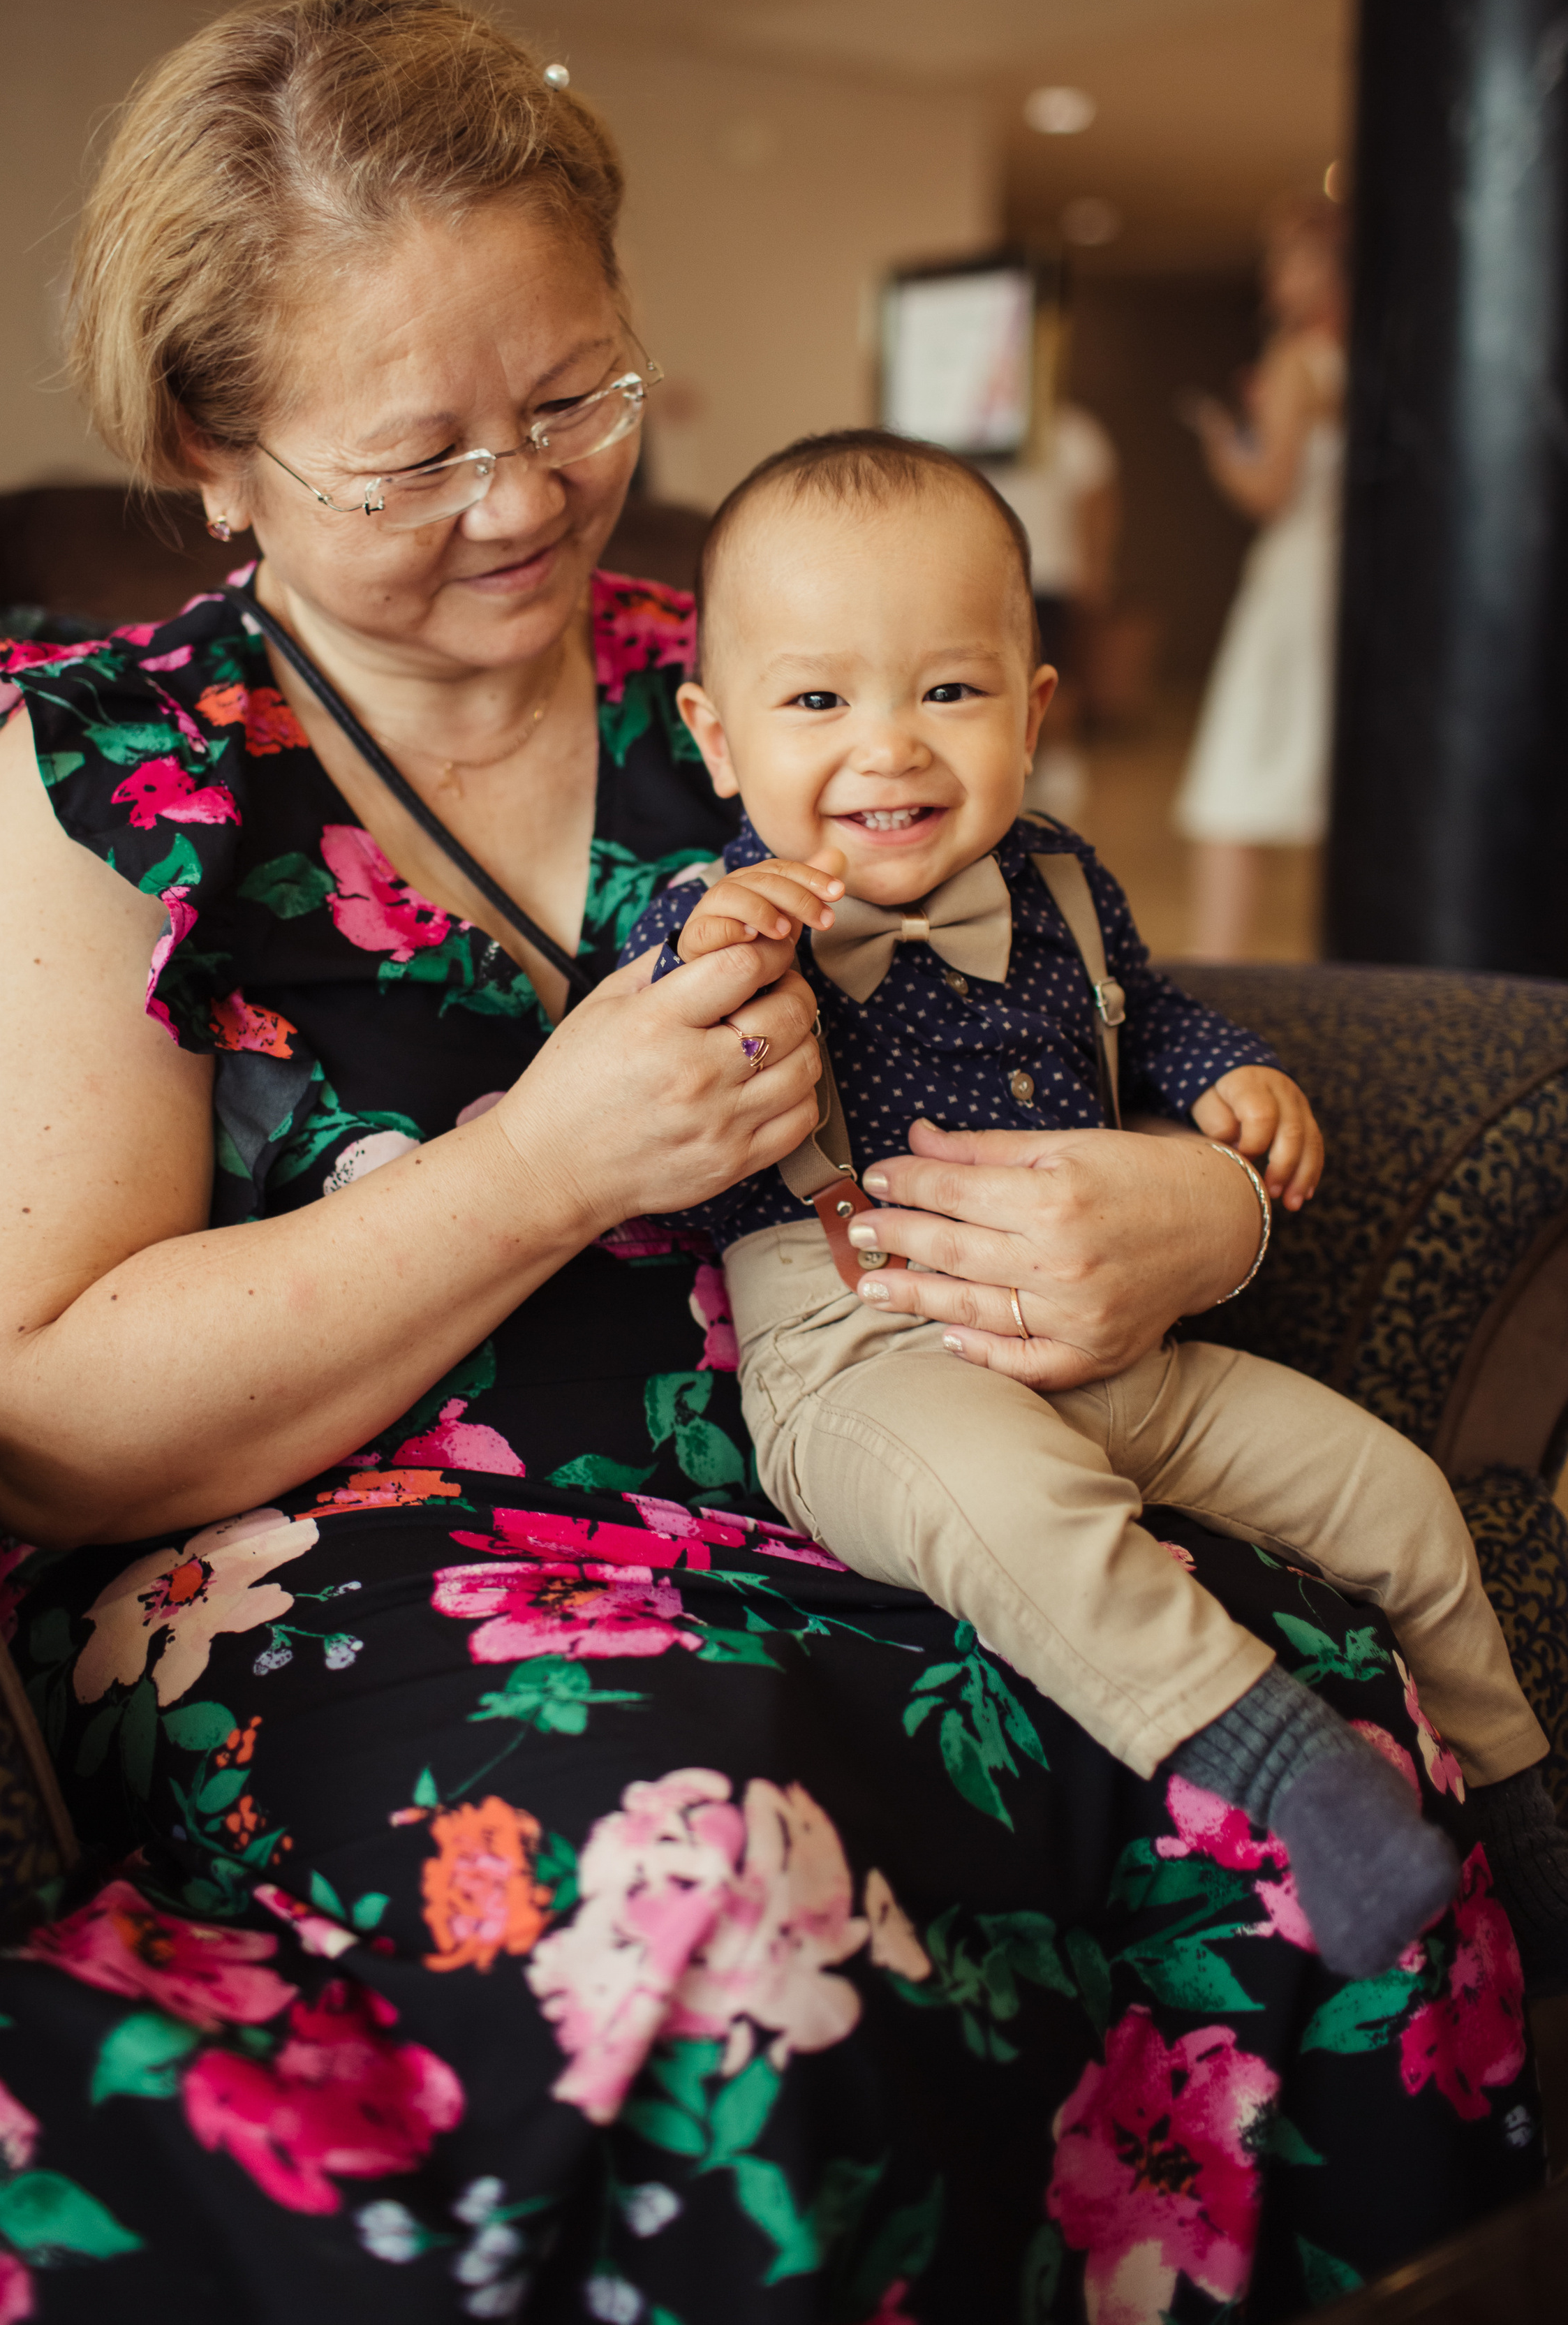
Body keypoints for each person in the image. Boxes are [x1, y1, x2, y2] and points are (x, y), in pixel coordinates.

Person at [0, 0, 1543, 2323]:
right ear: (212, 449)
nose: (523, 500)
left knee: (1315, 1750)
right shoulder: (111, 798)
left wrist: (1198, 1207)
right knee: (718, 1897)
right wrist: (541, 1166)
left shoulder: (781, 674)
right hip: (378, 1581)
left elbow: (1077, 983)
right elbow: (29, 1413)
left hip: (904, 1473)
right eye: (414, 457)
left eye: (575, 399)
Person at [626, 426, 1566, 1989]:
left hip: (1120, 1343)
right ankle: (1293, 1778)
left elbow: (1153, 1009)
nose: (890, 749)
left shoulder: (1062, 879)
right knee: (1019, 1508)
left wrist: (1231, 1079)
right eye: (817, 703)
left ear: (1033, 709)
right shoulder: (709, 924)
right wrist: (715, 969)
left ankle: (1527, 1817)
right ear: (717, 741)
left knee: (1397, 1496)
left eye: (948, 690)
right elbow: (652, 1092)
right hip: (871, 1359)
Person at [1175, 195, 1346, 957]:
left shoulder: (1294, 360)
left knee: (1233, 778)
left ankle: (1216, 965)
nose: (1276, 278)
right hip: (1343, 584)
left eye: (1290, 260)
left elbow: (1271, 492)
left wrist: (1222, 445)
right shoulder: (1363, 360)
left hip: (1293, 582)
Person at [984, 397, 1118, 822]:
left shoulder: (1073, 430)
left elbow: (1098, 505)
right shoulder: (972, 426)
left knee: (1055, 674)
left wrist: (1096, 570)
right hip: (982, 579)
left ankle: (1060, 766)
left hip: (1050, 575)